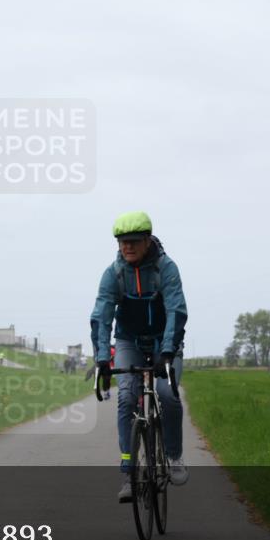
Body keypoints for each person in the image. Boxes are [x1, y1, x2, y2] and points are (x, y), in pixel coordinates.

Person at [90, 211, 188, 502]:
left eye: (133, 241)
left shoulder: (166, 268)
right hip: (128, 342)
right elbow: (101, 317)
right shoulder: (114, 274)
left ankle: (173, 456)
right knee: (126, 397)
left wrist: (167, 351)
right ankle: (128, 472)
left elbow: (176, 311)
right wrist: (101, 359)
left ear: (147, 240)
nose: (127, 246)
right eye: (122, 242)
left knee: (167, 394)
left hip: (164, 342)